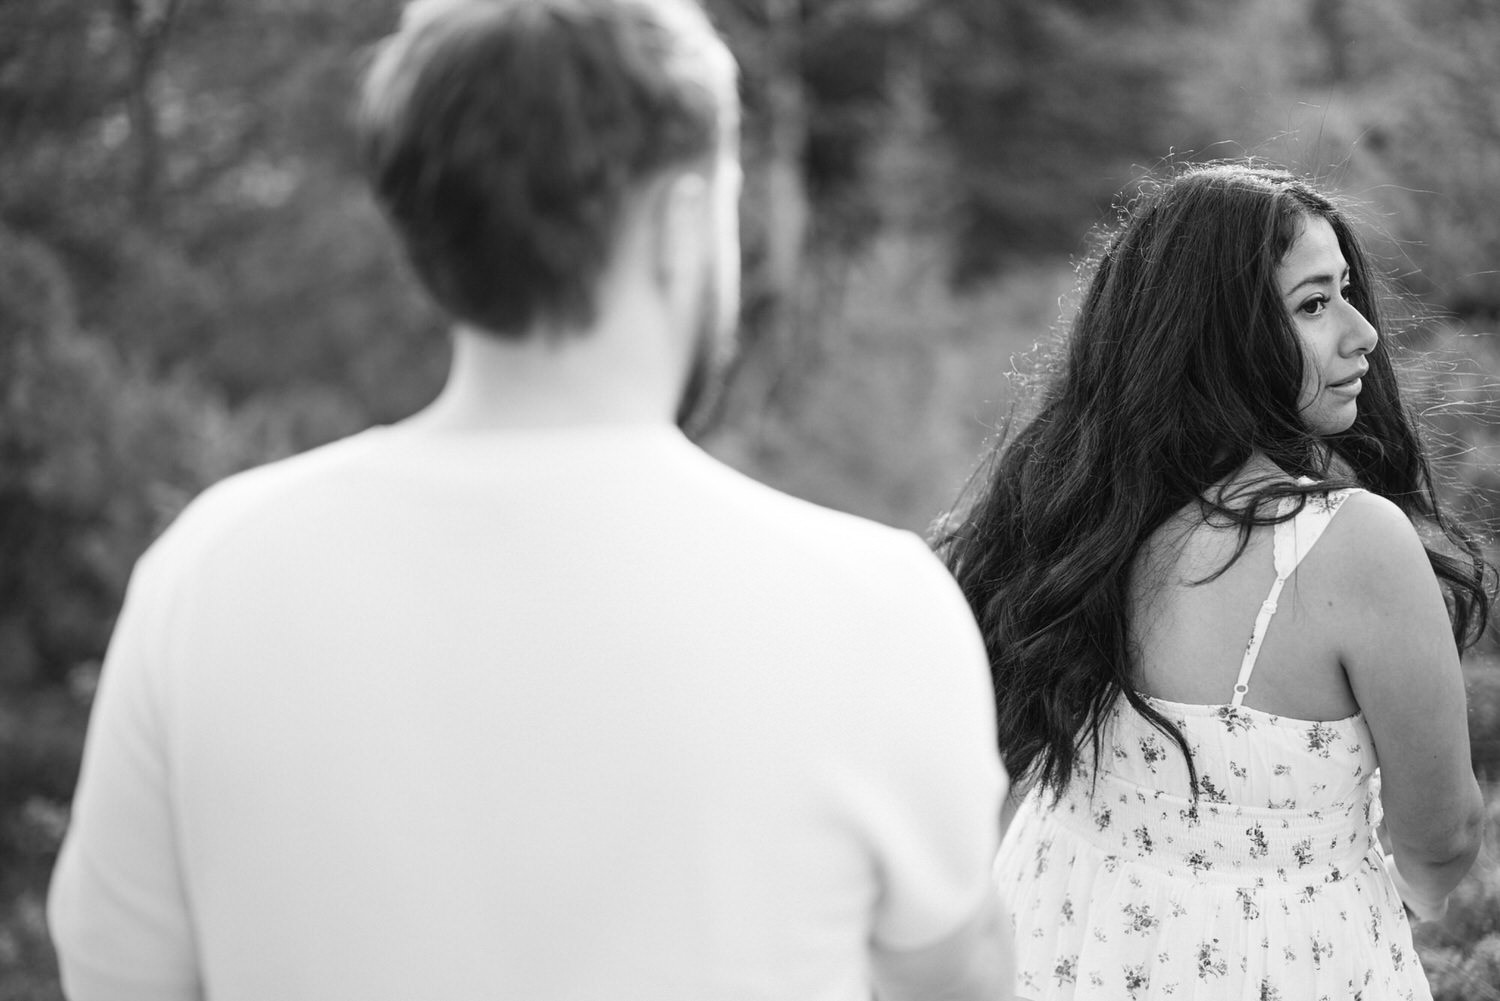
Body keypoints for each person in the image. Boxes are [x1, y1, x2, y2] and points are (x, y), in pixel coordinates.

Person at [46, 2, 1013, 999]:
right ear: (684, 220)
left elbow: (116, 975)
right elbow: (955, 981)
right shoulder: (874, 606)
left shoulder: (210, 573)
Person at [939, 162, 1492, 1000]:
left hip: (1062, 933)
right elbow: (1443, 835)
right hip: (1273, 961)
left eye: (1346, 291)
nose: (1363, 333)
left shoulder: (1066, 517)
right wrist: (1358, 898)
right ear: (1219, 336)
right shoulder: (1351, 544)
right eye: (1313, 304)